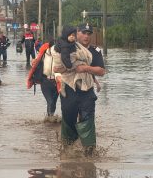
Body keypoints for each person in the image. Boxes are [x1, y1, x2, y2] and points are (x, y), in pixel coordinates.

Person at [53, 23, 105, 157]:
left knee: (87, 120)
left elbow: (101, 71)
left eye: (89, 33)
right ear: (77, 33)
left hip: (86, 91)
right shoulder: (66, 47)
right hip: (69, 90)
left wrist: (85, 68)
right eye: (83, 33)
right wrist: (71, 67)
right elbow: (56, 68)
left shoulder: (95, 51)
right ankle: (67, 151)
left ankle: (89, 153)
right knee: (68, 120)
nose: (86, 36)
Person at [27, 38, 60, 119]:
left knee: (54, 102)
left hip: (57, 82)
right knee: (50, 101)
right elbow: (36, 62)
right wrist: (33, 62)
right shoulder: (44, 54)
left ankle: (49, 117)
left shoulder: (61, 55)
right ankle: (50, 118)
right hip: (45, 81)